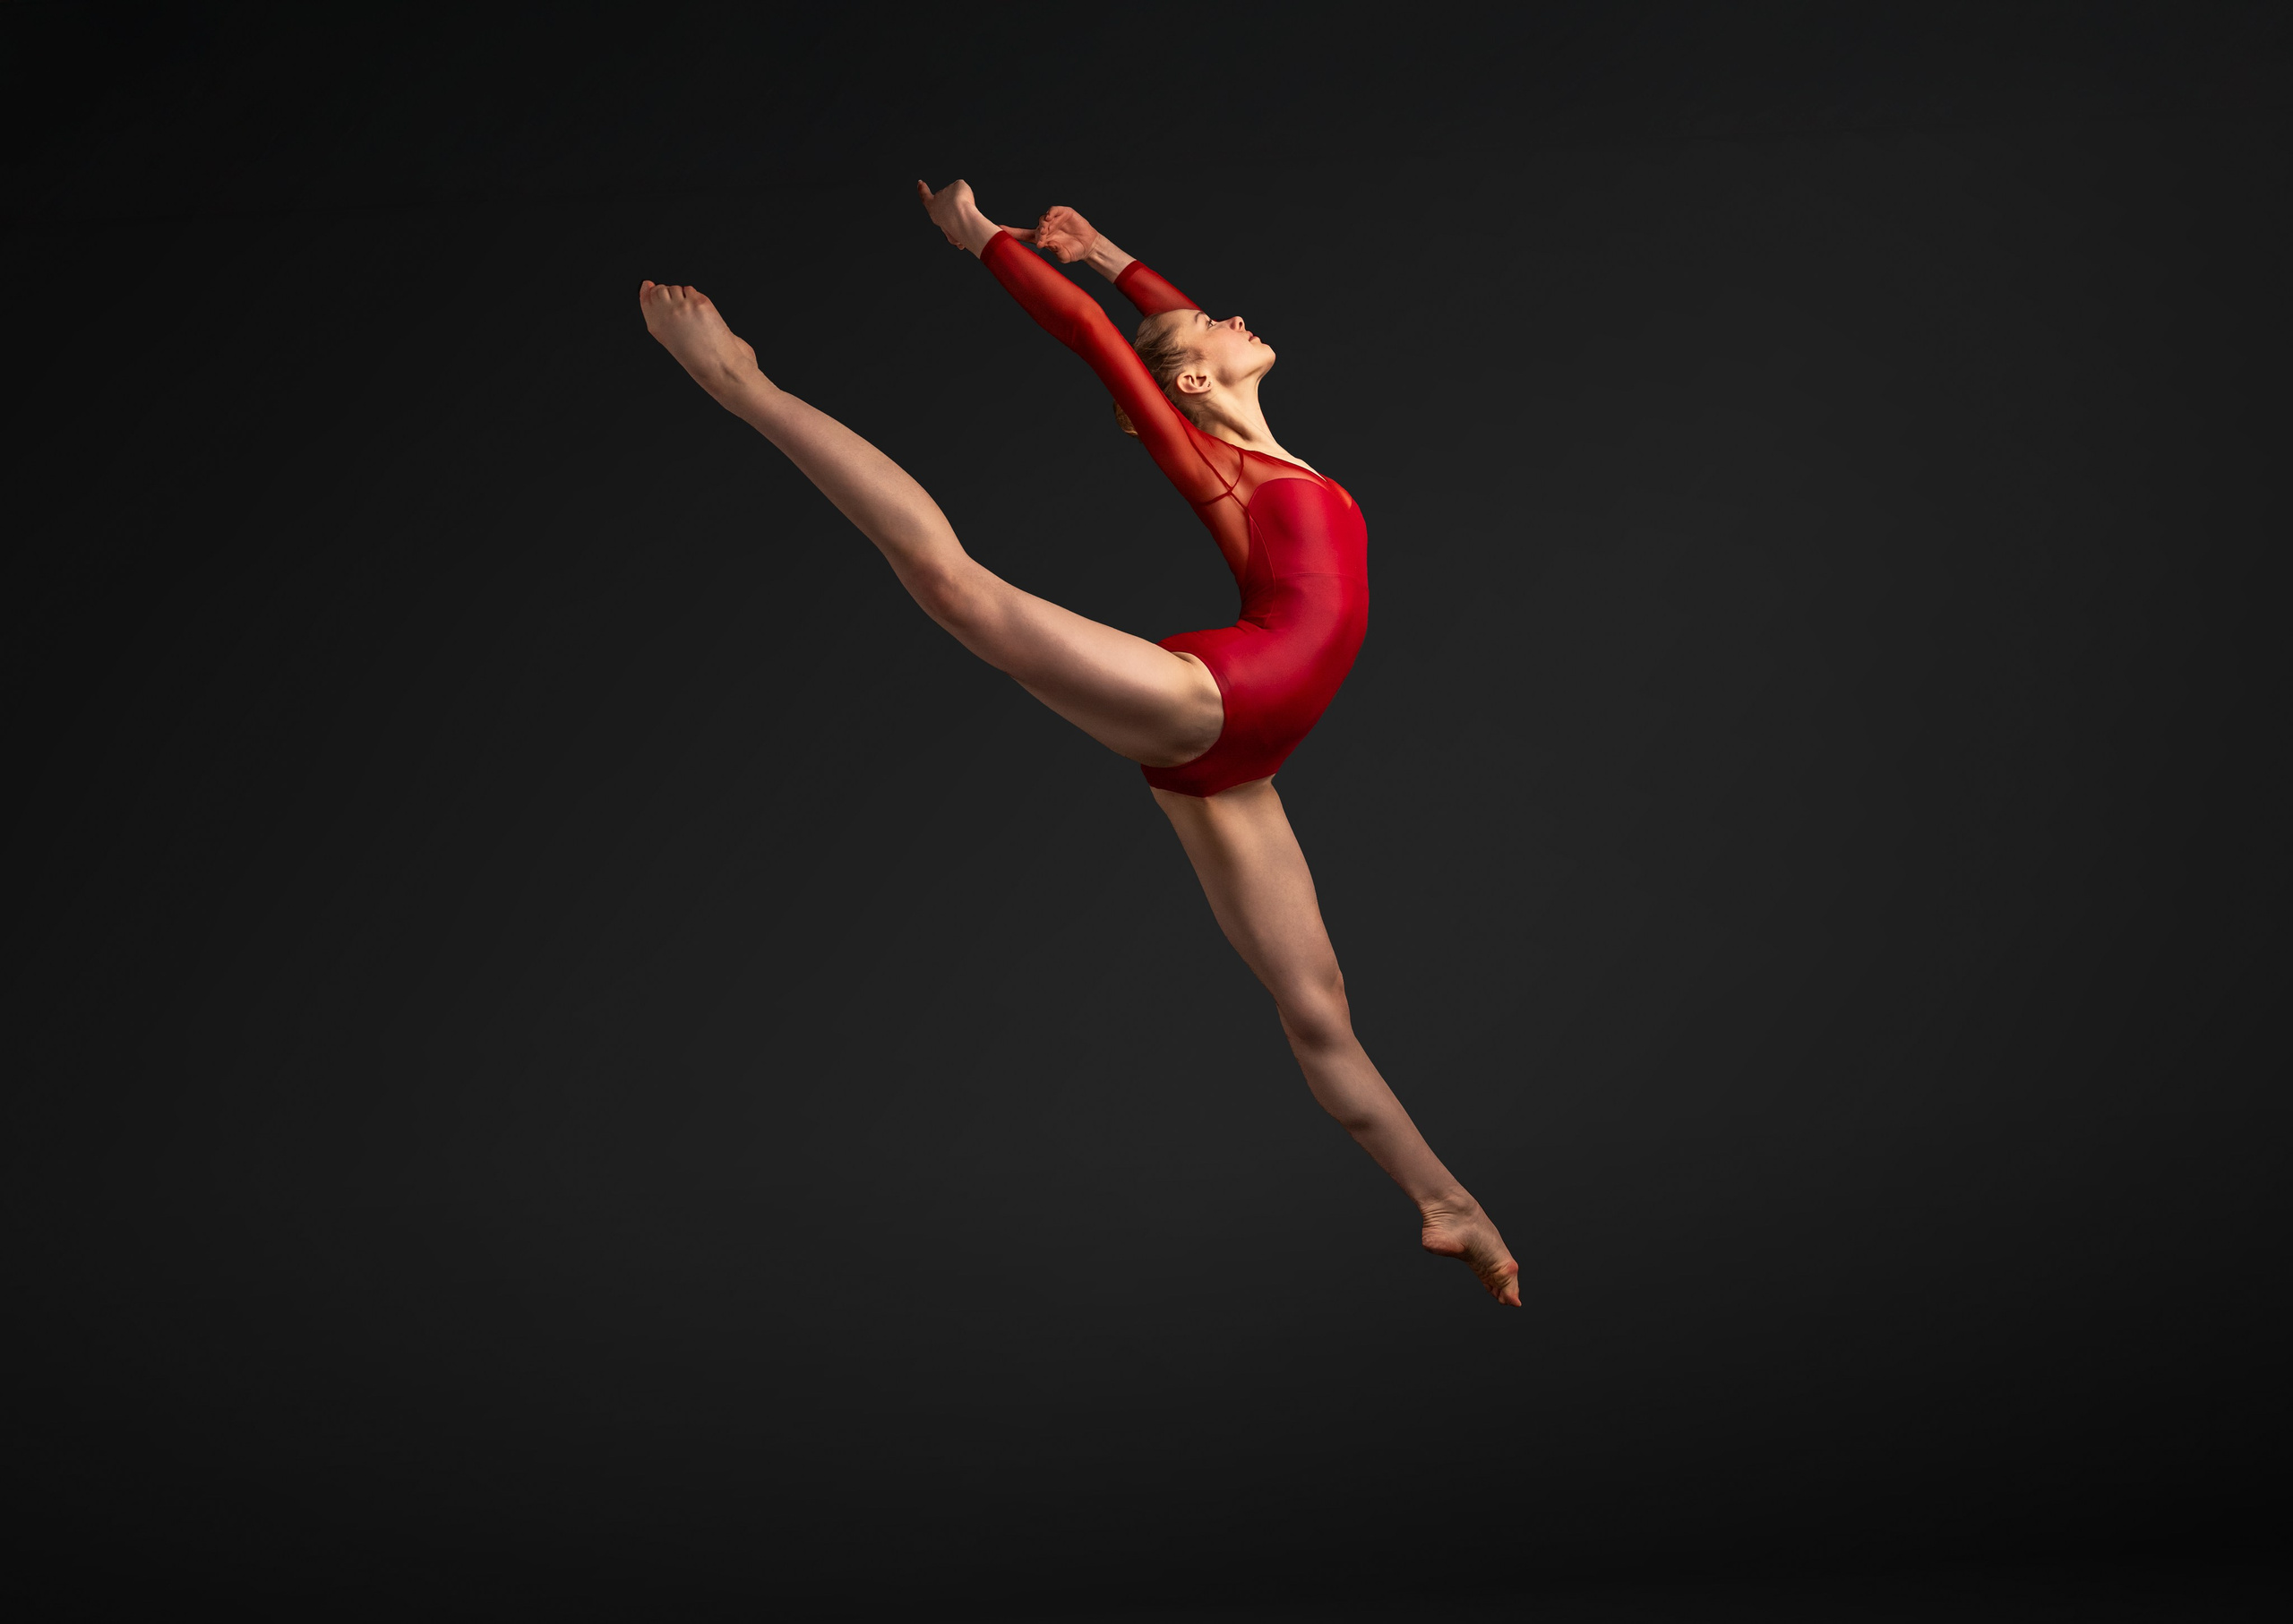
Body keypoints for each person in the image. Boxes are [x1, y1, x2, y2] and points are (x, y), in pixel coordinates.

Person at [635, 179, 1519, 1306]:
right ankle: (740, 383)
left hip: (1241, 763)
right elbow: (1102, 341)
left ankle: (1449, 1204)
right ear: (1196, 382)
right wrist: (984, 240)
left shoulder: (1265, 448)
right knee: (961, 591)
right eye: (1211, 329)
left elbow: (1154, 321)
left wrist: (1106, 249)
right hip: (1213, 697)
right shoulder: (1218, 468)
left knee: (1318, 1008)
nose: (1230, 316)